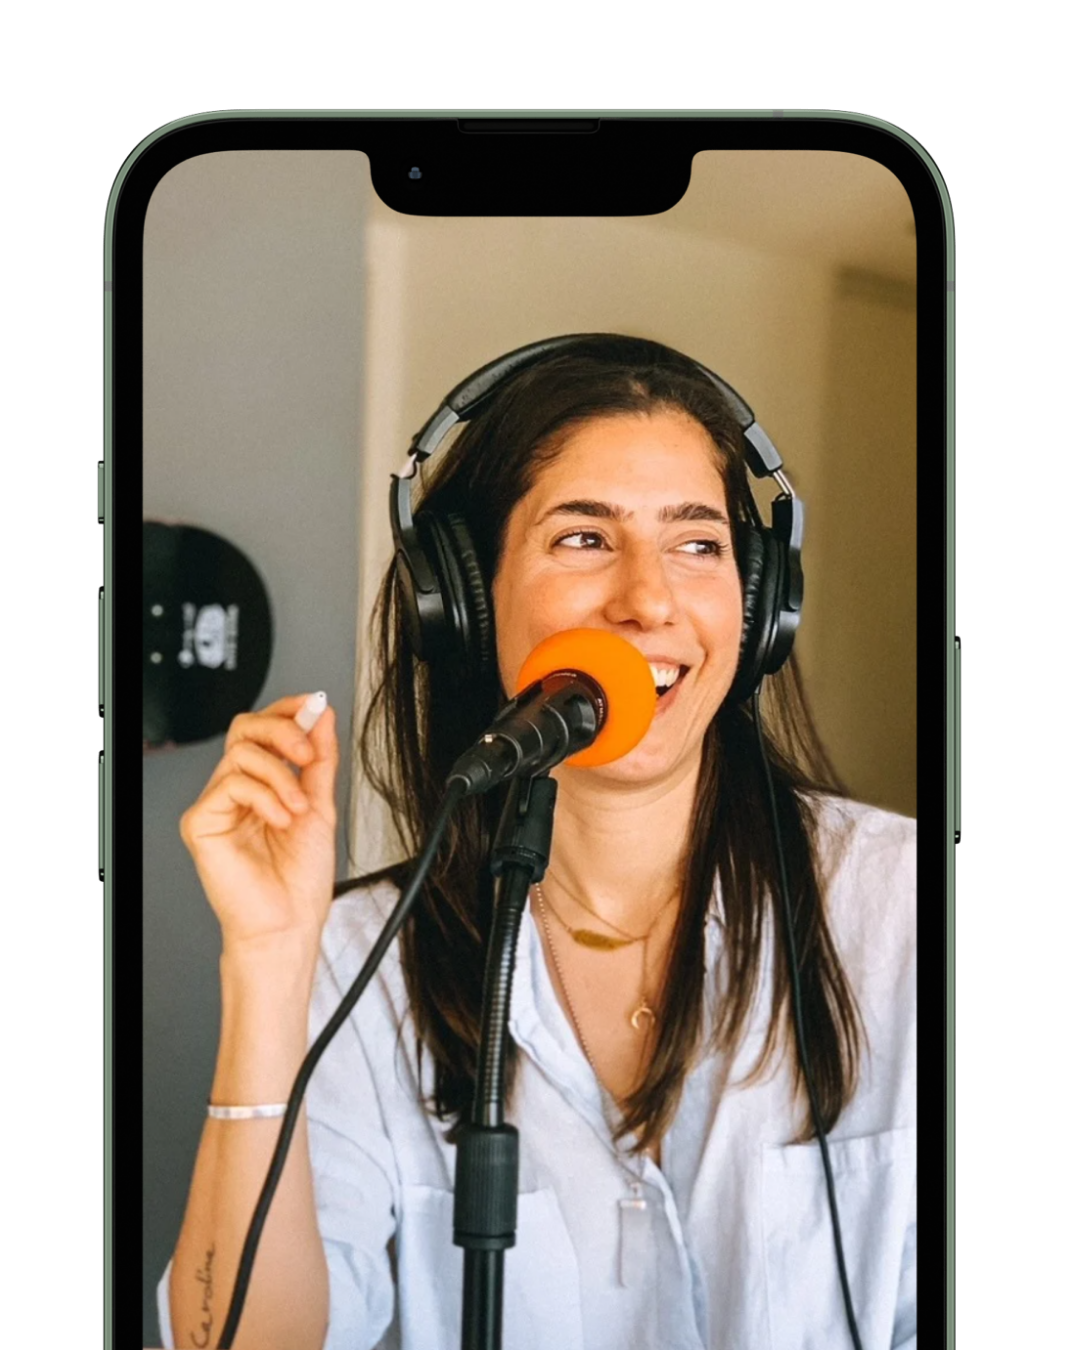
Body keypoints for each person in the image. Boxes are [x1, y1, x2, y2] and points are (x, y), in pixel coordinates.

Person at [159, 336, 916, 1350]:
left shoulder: (911, 909)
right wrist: (265, 965)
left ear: (761, 604)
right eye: (584, 539)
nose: (649, 598)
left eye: (698, 543)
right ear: (466, 605)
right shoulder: (357, 960)